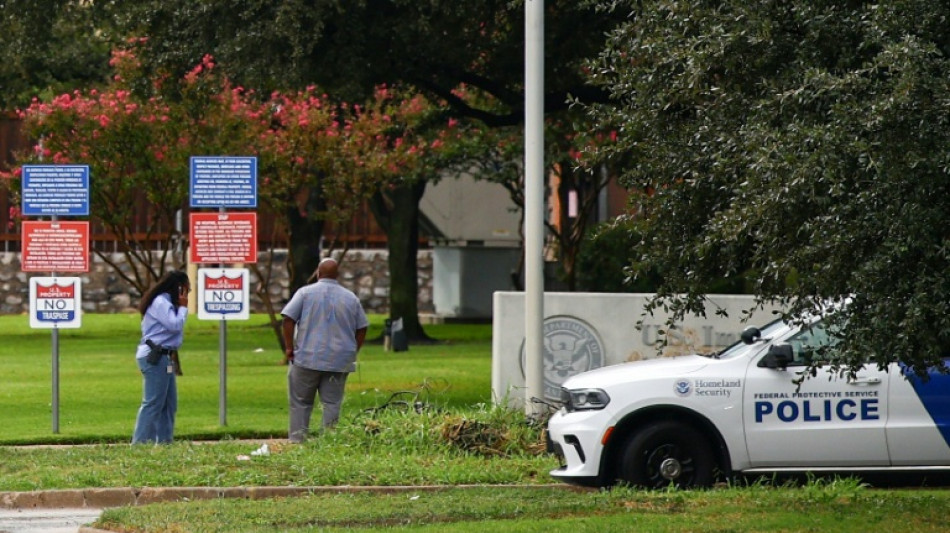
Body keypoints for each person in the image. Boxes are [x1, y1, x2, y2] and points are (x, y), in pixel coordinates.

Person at [281, 258, 368, 442]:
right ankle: (329, 440)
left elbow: (288, 319)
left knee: (301, 402)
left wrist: (289, 347)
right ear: (337, 275)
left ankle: (298, 440)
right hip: (339, 360)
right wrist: (353, 350)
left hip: (307, 357)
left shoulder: (304, 293)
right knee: (332, 403)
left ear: (318, 273)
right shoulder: (351, 298)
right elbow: (362, 328)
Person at [132, 270, 190, 444]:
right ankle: (140, 443)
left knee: (169, 403)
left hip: (166, 358)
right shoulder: (160, 302)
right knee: (153, 402)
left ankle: (165, 442)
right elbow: (174, 325)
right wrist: (184, 307)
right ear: (179, 289)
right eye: (187, 290)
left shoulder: (166, 303)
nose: (189, 293)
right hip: (155, 356)